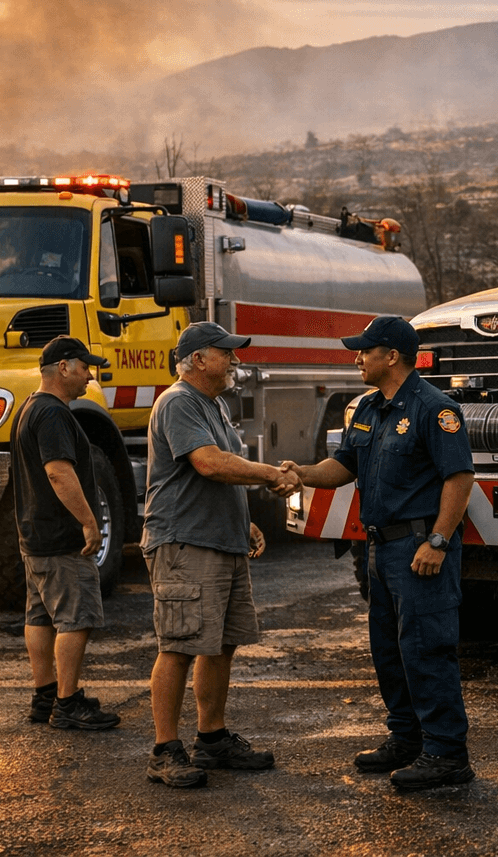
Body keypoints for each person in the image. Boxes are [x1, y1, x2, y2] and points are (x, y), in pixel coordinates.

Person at [282, 315, 477, 790]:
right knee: (390, 652)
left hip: (418, 549)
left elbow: (459, 478)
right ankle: (407, 738)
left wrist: (438, 540)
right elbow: (344, 465)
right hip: (380, 549)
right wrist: (300, 473)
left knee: (426, 649)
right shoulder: (368, 408)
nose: (357, 358)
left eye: (365, 351)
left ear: (392, 356)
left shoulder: (436, 409)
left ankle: (447, 754)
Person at [143, 321, 300, 789]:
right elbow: (209, 463)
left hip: (220, 539)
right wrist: (272, 474)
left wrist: (242, 520)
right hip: (185, 543)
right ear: (197, 360)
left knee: (221, 643)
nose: (234, 361)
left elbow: (219, 472)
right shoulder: (177, 402)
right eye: (225, 353)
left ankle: (211, 741)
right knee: (179, 645)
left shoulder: (213, 405)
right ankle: (164, 751)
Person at [12, 335, 121, 732]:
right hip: (61, 539)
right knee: (76, 618)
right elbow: (59, 471)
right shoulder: (54, 414)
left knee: (40, 616)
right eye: (84, 367)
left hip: (36, 536)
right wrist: (90, 522)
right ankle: (68, 702)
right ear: (63, 368)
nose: (89, 377)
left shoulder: (28, 408)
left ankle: (45, 695)